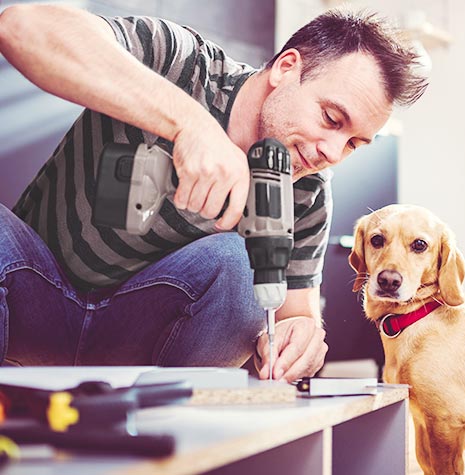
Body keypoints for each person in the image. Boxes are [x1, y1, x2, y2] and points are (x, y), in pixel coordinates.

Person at [0, 4, 427, 381]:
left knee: (237, 262)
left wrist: (305, 334)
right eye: (332, 118)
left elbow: (296, 310)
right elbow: (21, 28)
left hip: (133, 348)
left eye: (353, 144)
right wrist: (190, 123)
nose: (331, 153)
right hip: (33, 301)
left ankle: (177, 440)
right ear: (286, 68)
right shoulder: (180, 62)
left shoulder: (307, 187)